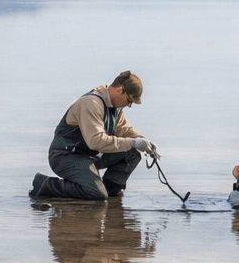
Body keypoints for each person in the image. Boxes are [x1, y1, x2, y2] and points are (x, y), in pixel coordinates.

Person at [31, 71, 158, 200]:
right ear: (120, 90)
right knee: (96, 194)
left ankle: (109, 190)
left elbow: (122, 128)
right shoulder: (91, 103)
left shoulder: (114, 105)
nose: (129, 105)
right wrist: (132, 142)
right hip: (66, 156)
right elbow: (96, 141)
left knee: (132, 153)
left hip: (89, 155)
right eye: (129, 101)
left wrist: (140, 139)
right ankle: (45, 184)